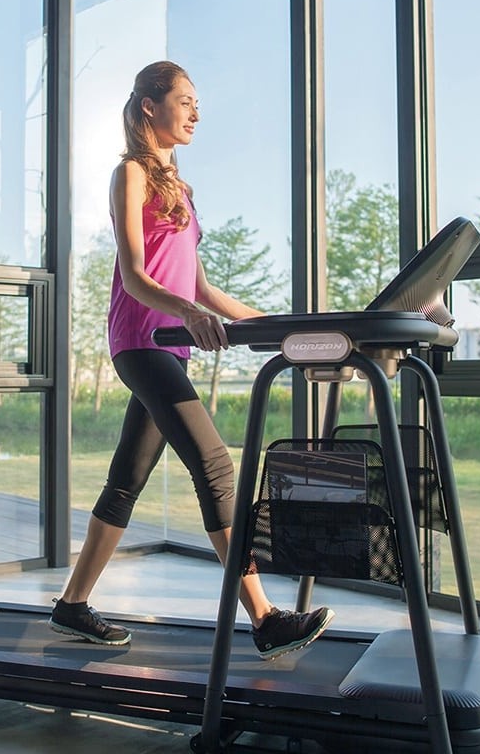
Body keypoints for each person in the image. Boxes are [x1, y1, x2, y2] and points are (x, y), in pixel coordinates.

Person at [48, 60, 334, 661]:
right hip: (141, 341)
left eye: (197, 104)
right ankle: (265, 619)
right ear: (150, 106)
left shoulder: (179, 188)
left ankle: (72, 605)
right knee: (214, 465)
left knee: (125, 481)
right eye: (186, 101)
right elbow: (135, 275)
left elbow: (203, 289)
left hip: (170, 347)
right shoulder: (130, 174)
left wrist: (280, 327)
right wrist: (189, 311)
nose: (196, 114)